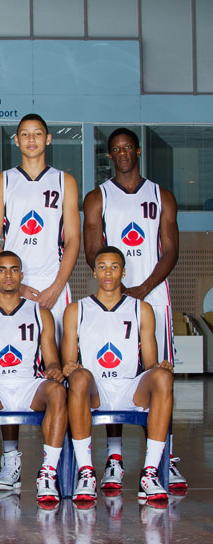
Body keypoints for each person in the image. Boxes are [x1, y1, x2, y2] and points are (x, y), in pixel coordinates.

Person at [82, 128, 185, 491]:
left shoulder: (162, 196)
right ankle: (114, 457)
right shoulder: (98, 197)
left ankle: (164, 459)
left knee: (160, 376)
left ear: (138, 151)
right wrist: (118, 289)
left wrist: (142, 288)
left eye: (128, 147)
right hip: (113, 297)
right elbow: (93, 251)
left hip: (153, 296)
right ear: (109, 156)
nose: (123, 153)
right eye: (116, 150)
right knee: (113, 372)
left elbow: (170, 250)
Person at [0, 113, 80, 490]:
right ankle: (11, 459)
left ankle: (59, 463)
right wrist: (17, 286)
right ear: (16, 141)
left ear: (48, 139)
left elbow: (72, 239)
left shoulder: (65, 181)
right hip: (15, 282)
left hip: (54, 285)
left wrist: (58, 285)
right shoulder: (3, 181)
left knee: (63, 372)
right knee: (9, 367)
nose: (30, 140)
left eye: (37, 134)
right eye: (24, 135)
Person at [63, 246, 173, 503]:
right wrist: (69, 367)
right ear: (94, 272)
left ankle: (150, 473)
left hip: (129, 389)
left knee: (163, 378)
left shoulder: (141, 309)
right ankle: (86, 473)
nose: (108, 272)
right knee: (77, 377)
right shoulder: (76, 310)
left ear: (123, 271)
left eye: (114, 267)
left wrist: (160, 368)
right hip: (94, 389)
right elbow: (69, 362)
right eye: (102, 267)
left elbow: (149, 363)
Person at [0, 251, 67, 504]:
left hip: (29, 384)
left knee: (58, 391)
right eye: (1, 270)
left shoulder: (40, 313)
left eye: (13, 269)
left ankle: (48, 474)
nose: (8, 275)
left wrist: (53, 369)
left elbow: (51, 359)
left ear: (21, 275)